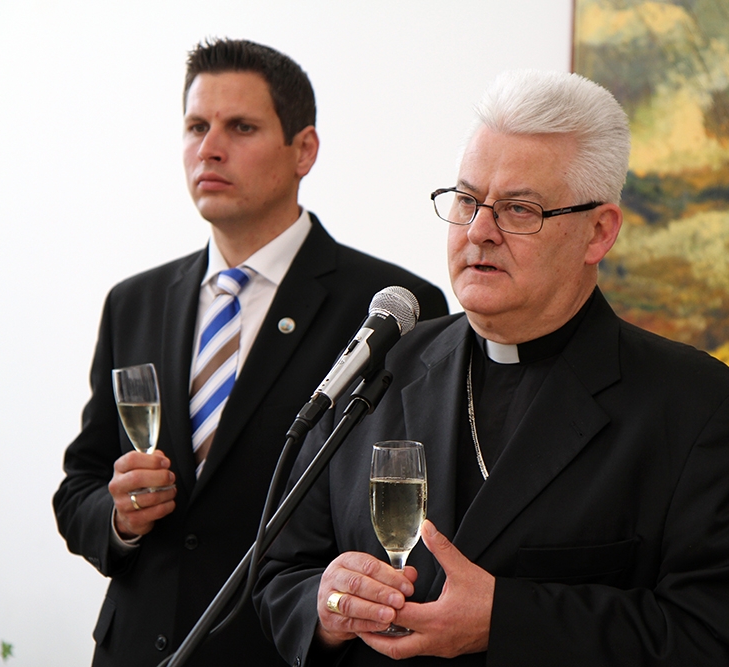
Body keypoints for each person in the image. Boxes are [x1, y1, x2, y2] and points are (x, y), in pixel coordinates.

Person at [253, 70, 729, 666]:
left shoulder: (703, 412)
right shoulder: (380, 368)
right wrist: (327, 606)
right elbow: (282, 572)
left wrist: (508, 620)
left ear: (598, 232)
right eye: (466, 201)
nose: (479, 231)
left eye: (519, 209)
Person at [53, 38, 448, 667]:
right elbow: (79, 486)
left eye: (240, 127)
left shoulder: (388, 309)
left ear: (304, 150)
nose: (209, 148)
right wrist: (119, 517)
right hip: (135, 649)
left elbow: (405, 501)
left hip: (279, 650)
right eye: (196, 127)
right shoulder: (134, 301)